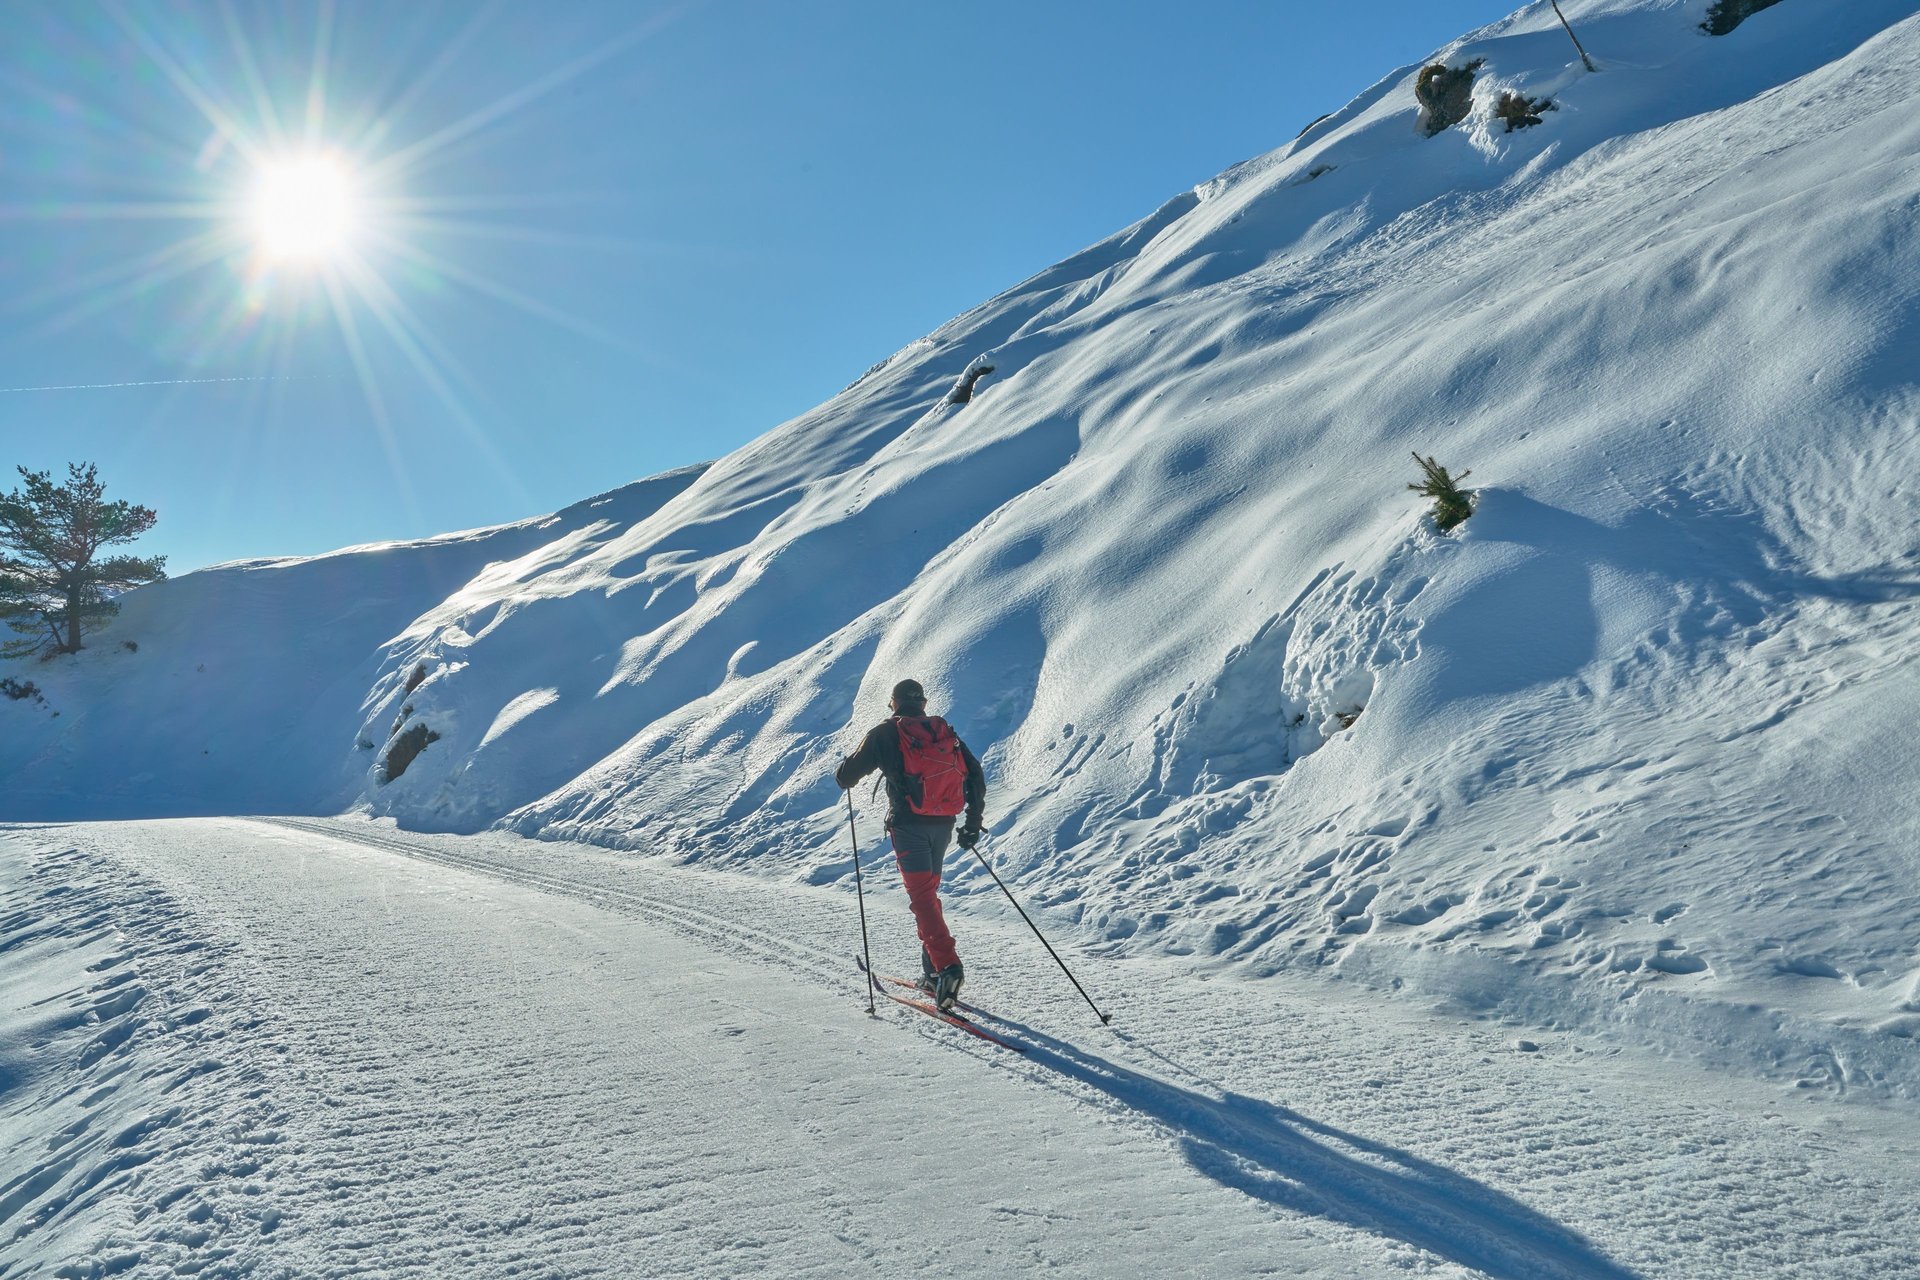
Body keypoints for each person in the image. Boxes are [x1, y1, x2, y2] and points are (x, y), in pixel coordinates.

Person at [836, 678, 986, 1011]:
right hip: (944, 824)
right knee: (928, 896)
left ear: (894, 702)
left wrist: (846, 764)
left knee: (921, 897)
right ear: (922, 703)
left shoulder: (887, 732)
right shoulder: (944, 732)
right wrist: (972, 824)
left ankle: (948, 966)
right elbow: (975, 774)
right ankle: (932, 973)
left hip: (909, 827)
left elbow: (846, 777)